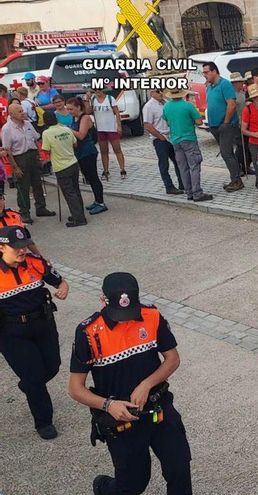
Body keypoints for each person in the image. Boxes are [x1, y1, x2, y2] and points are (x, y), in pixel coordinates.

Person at [68, 272, 192, 494]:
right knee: (134, 484)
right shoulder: (88, 332)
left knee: (179, 468)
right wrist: (108, 405)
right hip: (122, 418)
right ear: (103, 300)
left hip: (159, 407)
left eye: (130, 312)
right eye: (119, 314)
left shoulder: (152, 316)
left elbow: (172, 359)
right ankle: (103, 488)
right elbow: (75, 389)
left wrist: (147, 384)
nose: (125, 319)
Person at [0, 225, 68, 440]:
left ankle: (29, 385)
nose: (22, 250)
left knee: (53, 366)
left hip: (43, 324)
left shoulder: (35, 263)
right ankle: (44, 422)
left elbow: (60, 280)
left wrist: (63, 288)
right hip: (11, 333)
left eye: (24, 245)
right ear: (2, 247)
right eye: (16, 247)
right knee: (34, 377)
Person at [1, 102, 54, 223]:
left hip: (32, 155)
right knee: (23, 187)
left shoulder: (28, 123)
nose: (23, 113)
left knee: (37, 183)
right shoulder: (7, 129)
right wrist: (15, 167)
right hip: (20, 158)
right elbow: (7, 150)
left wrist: (39, 156)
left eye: (22, 110)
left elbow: (35, 139)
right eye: (19, 111)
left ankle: (41, 208)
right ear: (12, 114)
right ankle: (24, 212)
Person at [163, 89, 212, 202]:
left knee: (183, 168)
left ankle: (189, 192)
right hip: (189, 139)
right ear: (182, 94)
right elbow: (199, 122)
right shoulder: (188, 106)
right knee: (194, 166)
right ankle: (197, 193)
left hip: (175, 140)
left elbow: (167, 121)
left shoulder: (166, 106)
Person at [202, 63, 244, 192]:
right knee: (227, 153)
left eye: (206, 72)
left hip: (226, 125)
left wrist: (226, 123)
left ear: (214, 71)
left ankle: (236, 181)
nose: (204, 75)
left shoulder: (225, 84)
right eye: (203, 73)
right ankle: (236, 177)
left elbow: (231, 104)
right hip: (215, 126)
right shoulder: (209, 86)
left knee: (226, 153)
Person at [40, 111, 86, 227]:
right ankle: (79, 214)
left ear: (45, 121)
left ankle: (79, 219)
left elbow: (46, 149)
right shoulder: (66, 129)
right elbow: (75, 144)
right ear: (56, 118)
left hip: (61, 167)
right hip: (73, 163)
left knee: (69, 193)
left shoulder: (47, 133)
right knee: (75, 190)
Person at [65, 97, 107, 215]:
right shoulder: (74, 118)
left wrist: (68, 130)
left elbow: (81, 135)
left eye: (71, 109)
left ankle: (101, 203)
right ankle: (97, 200)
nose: (69, 111)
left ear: (78, 107)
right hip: (79, 152)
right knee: (88, 177)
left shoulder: (85, 118)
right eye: (68, 109)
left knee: (93, 177)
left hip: (88, 151)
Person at [142, 89, 184, 195]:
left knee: (178, 161)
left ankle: (182, 183)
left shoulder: (167, 102)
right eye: (157, 91)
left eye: (161, 90)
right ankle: (169, 186)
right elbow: (147, 125)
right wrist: (160, 137)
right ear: (151, 93)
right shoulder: (149, 106)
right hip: (160, 138)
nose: (160, 93)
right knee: (164, 163)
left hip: (172, 136)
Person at [87, 85, 126, 180]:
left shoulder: (110, 98)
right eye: (95, 90)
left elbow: (117, 112)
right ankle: (106, 170)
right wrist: (87, 99)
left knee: (117, 149)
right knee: (104, 151)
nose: (97, 91)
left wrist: (119, 126)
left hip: (111, 128)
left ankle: (122, 169)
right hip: (100, 129)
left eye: (99, 89)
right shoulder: (93, 99)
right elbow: (88, 111)